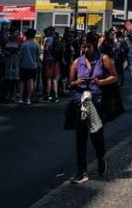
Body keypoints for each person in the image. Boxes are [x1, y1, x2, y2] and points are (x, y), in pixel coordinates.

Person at [69, 33, 118, 183]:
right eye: (83, 46)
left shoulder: (104, 59)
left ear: (95, 45)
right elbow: (69, 83)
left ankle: (100, 157)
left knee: (96, 135)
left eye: (88, 46)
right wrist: (76, 81)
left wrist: (100, 82)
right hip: (81, 102)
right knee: (81, 137)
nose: (84, 49)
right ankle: (81, 171)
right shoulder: (77, 62)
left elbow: (115, 76)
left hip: (97, 102)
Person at [19, 28, 41, 104]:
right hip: (33, 65)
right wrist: (38, 64)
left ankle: (21, 98)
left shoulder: (24, 44)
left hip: (23, 65)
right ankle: (28, 98)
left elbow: (20, 56)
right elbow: (38, 56)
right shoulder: (36, 44)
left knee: (22, 81)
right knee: (31, 81)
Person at [1, 28, 21, 102]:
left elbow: (19, 50)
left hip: (15, 62)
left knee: (14, 79)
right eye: (16, 32)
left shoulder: (18, 41)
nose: (17, 34)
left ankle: (13, 94)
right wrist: (6, 52)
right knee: (7, 79)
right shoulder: (6, 40)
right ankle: (7, 94)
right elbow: (2, 48)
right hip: (8, 62)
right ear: (12, 33)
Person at [42, 27, 60, 102]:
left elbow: (46, 48)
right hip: (55, 60)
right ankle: (55, 95)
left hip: (49, 60)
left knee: (48, 78)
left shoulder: (49, 38)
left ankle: (48, 95)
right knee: (54, 78)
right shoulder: (56, 38)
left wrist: (44, 49)